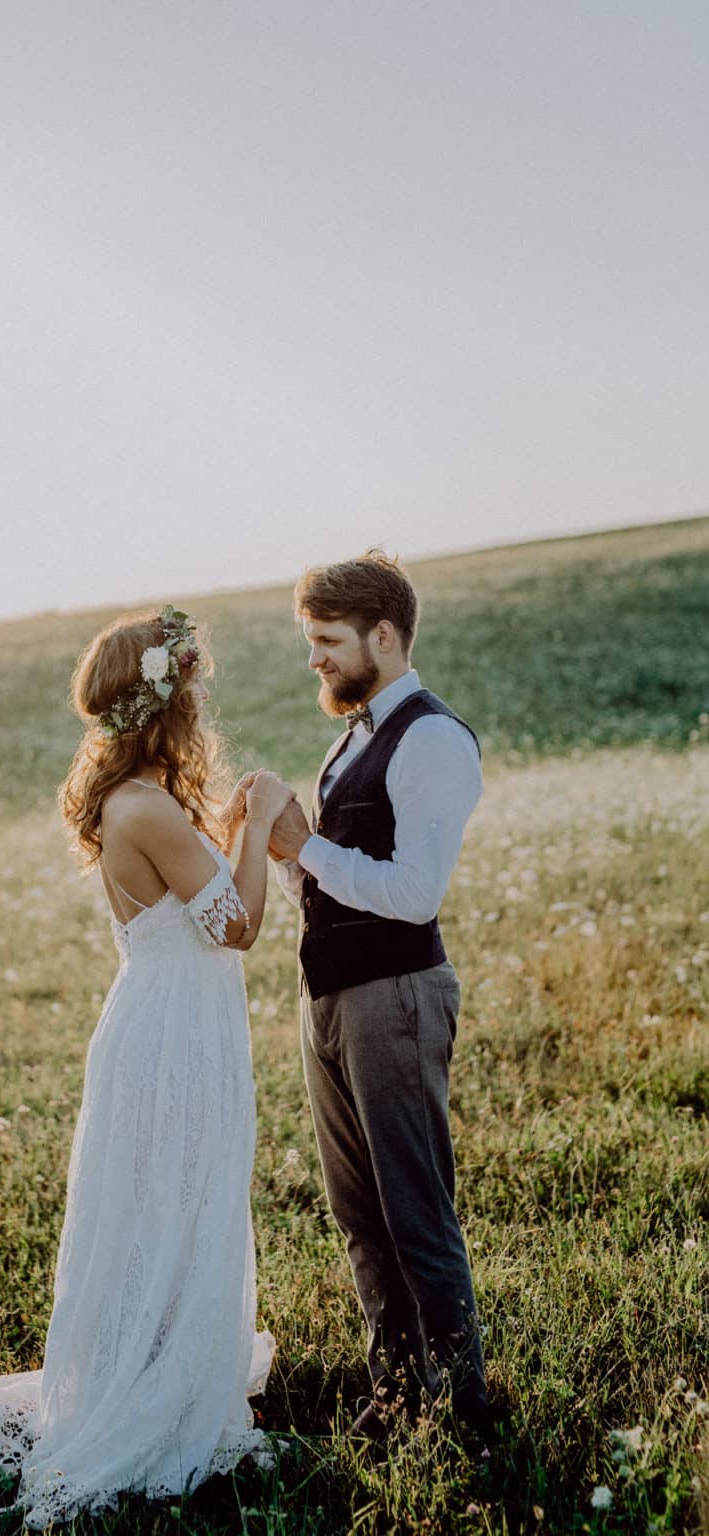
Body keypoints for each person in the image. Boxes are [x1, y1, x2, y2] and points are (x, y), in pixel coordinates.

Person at [0, 605, 292, 1527]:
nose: (198, 702)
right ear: (164, 701)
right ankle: (158, 1393)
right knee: (175, 1196)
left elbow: (204, 903)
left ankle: (161, 1359)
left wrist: (229, 836)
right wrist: (260, 818)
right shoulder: (144, 806)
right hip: (175, 1030)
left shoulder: (138, 800)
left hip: (167, 1016)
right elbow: (239, 926)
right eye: (189, 687)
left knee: (168, 1195)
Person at [266, 550, 491, 1441]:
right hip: (330, 997)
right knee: (360, 1216)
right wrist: (287, 853)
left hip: (395, 998)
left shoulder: (432, 737)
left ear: (385, 636)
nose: (315, 659)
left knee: (414, 1215)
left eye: (327, 640)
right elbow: (332, 879)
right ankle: (395, 1400)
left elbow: (413, 891)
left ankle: (463, 1412)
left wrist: (307, 847)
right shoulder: (352, 734)